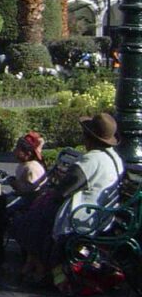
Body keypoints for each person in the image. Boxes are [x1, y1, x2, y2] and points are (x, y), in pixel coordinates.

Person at [14, 113, 124, 286]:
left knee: (35, 216)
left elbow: (63, 190)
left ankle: (39, 267)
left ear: (89, 138)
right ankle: (34, 264)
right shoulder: (115, 158)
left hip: (83, 215)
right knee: (40, 212)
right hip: (103, 214)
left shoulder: (91, 159)